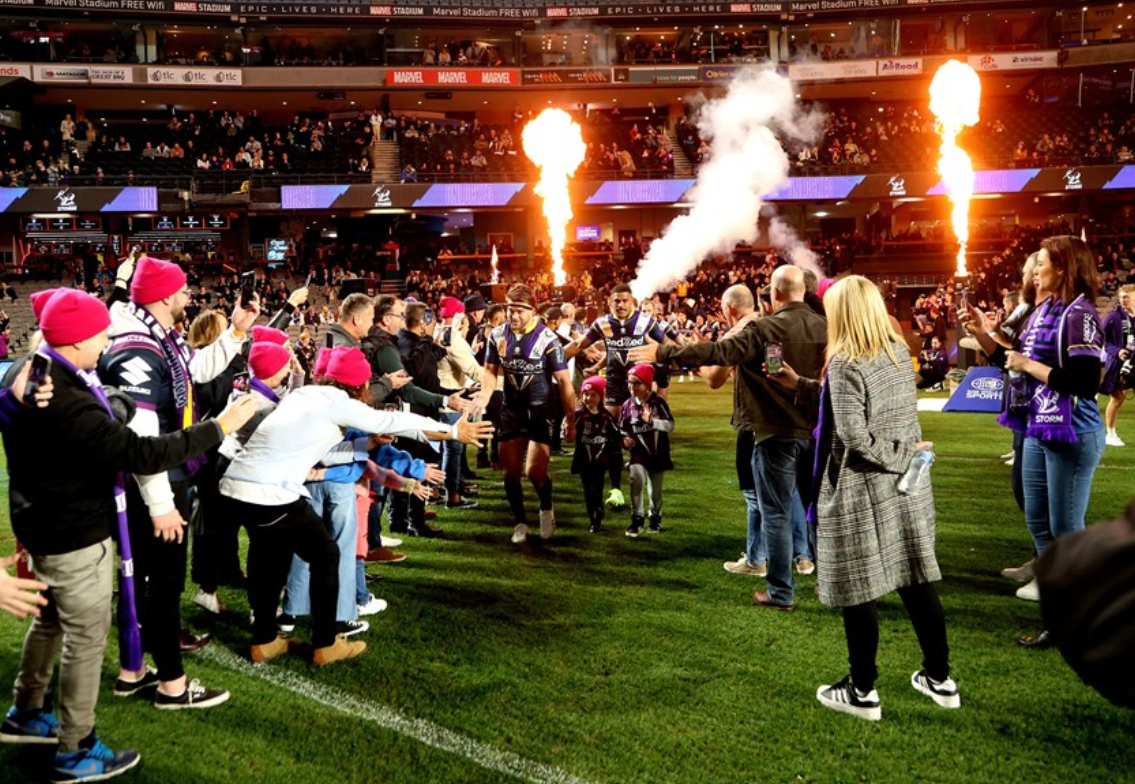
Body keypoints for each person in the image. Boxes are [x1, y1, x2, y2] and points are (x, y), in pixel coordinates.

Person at [0, 289, 256, 780]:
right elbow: (141, 454)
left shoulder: (37, 371)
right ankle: (75, 750)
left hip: (42, 524)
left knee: (50, 619)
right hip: (74, 533)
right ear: (77, 341)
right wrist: (218, 427)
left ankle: (27, 710)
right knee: (85, 640)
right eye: (100, 335)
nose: (107, 343)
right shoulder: (67, 398)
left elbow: (87, 403)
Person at [219, 346, 492, 665]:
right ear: (361, 387)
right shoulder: (340, 404)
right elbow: (393, 421)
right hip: (270, 491)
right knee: (325, 554)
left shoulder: (306, 393)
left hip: (236, 485)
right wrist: (454, 430)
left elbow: (327, 451)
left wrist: (369, 443)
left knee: (270, 555)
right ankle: (326, 643)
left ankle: (264, 640)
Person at [772, 275, 957, 722]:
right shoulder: (896, 351)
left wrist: (896, 455)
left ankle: (861, 690)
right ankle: (940, 679)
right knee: (916, 577)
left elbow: (853, 433)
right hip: (907, 486)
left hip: (863, 483)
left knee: (859, 587)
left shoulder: (845, 361)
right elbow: (846, 407)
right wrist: (799, 383)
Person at [99, 256, 256, 709]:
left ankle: (134, 670)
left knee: (152, 581)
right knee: (162, 585)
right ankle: (171, 683)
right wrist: (160, 504)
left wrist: (237, 331)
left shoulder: (156, 335)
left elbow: (196, 370)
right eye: (185, 290)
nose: (190, 297)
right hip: (152, 483)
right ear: (166, 296)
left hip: (160, 477)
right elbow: (143, 439)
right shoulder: (137, 348)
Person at [631, 266, 826, 611]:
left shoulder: (765, 328)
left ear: (774, 294)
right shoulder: (828, 328)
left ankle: (781, 593)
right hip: (817, 432)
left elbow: (717, 354)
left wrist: (664, 353)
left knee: (776, 514)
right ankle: (827, 584)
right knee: (817, 511)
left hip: (773, 432)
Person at [965, 236, 1105, 647]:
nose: (1034, 269)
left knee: (1065, 527)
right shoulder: (1043, 309)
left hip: (1072, 429)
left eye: (1041, 263)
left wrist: (1029, 364)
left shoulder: (1080, 315)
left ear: (1062, 269)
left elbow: (1085, 382)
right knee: (1039, 522)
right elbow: (1011, 363)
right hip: (1039, 426)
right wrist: (984, 336)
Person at [474, 284, 576, 544]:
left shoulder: (547, 339)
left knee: (534, 472)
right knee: (510, 473)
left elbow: (564, 382)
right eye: (510, 309)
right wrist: (485, 395)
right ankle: (520, 522)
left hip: (540, 411)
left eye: (519, 310)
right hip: (511, 410)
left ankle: (545, 507)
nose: (513, 315)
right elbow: (489, 371)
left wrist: (571, 419)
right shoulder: (497, 335)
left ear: (533, 311)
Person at [565, 284, 674, 510]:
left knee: (643, 429)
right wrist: (553, 356)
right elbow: (579, 345)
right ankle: (616, 490)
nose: (620, 305)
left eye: (624, 300)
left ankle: (646, 474)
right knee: (612, 434)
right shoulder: (602, 324)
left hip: (640, 385)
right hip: (614, 383)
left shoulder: (646, 322)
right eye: (616, 301)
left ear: (632, 301)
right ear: (610, 302)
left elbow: (667, 345)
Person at [618, 364, 674, 537]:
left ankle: (655, 518)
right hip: (638, 453)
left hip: (658, 453)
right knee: (636, 481)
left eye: (637, 383)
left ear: (647, 385)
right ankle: (637, 519)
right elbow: (622, 429)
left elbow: (670, 425)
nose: (631, 387)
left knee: (655, 490)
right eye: (629, 383)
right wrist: (624, 440)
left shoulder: (658, 402)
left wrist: (652, 423)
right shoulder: (628, 404)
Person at [572, 375, 620, 534]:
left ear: (601, 396)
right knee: (587, 489)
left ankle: (597, 514)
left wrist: (624, 440)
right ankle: (592, 517)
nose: (588, 398)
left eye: (593, 394)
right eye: (586, 394)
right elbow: (570, 435)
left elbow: (616, 434)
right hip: (584, 460)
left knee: (597, 488)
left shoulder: (606, 416)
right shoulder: (578, 415)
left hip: (600, 461)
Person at [1101, 284, 1135, 447]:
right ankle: (1110, 433)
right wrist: (1117, 351)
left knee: (1121, 396)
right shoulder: (1114, 316)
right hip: (1118, 362)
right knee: (1117, 397)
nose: (1124, 300)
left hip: (1134, 361)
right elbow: (1101, 338)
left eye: (1127, 296)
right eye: (1121, 297)